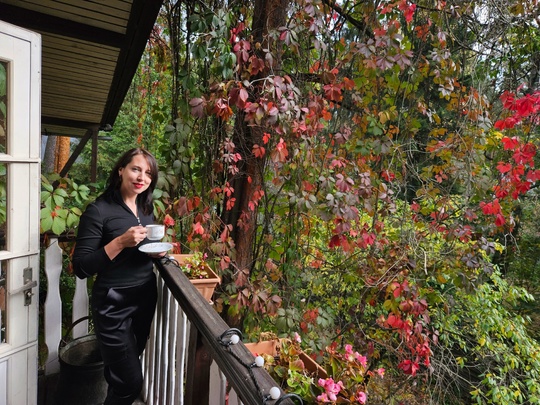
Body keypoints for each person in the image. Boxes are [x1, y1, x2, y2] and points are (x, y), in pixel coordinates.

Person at [73, 147, 163, 405]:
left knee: (122, 371)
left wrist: (153, 253)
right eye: (136, 169)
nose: (141, 177)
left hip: (145, 296)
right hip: (113, 303)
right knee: (130, 382)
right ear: (121, 170)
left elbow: (140, 251)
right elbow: (81, 267)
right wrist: (120, 242)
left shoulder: (146, 207)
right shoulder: (98, 210)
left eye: (148, 173)